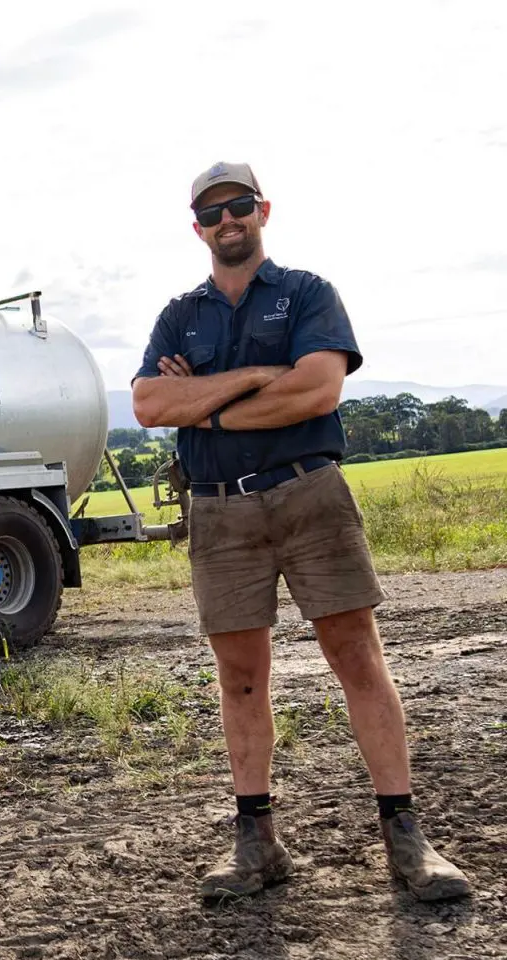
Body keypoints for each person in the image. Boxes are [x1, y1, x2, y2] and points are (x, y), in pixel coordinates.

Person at [131, 161, 471, 903]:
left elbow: (317, 388)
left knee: (357, 659)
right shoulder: (177, 314)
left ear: (263, 211)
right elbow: (151, 405)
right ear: (197, 227)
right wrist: (257, 378)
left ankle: (407, 840)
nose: (229, 220)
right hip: (219, 511)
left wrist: (207, 402)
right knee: (241, 678)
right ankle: (258, 844)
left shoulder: (309, 293)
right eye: (214, 212)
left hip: (310, 496)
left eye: (240, 206)